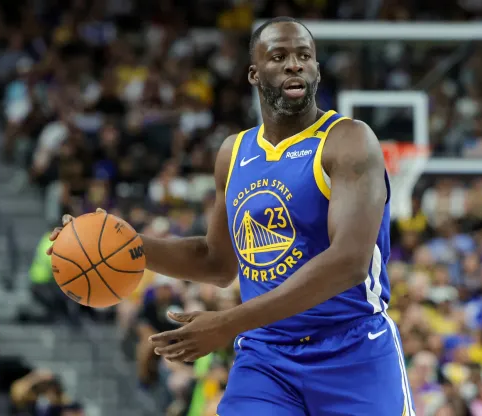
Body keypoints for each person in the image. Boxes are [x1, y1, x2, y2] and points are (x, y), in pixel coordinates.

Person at [47, 16, 415, 415]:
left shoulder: (348, 140)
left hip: (352, 351)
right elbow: (217, 261)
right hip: (267, 360)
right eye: (279, 56)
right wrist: (123, 246)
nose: (294, 64)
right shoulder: (234, 153)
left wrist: (228, 323)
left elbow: (348, 263)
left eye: (304, 56)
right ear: (254, 74)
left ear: (317, 70)